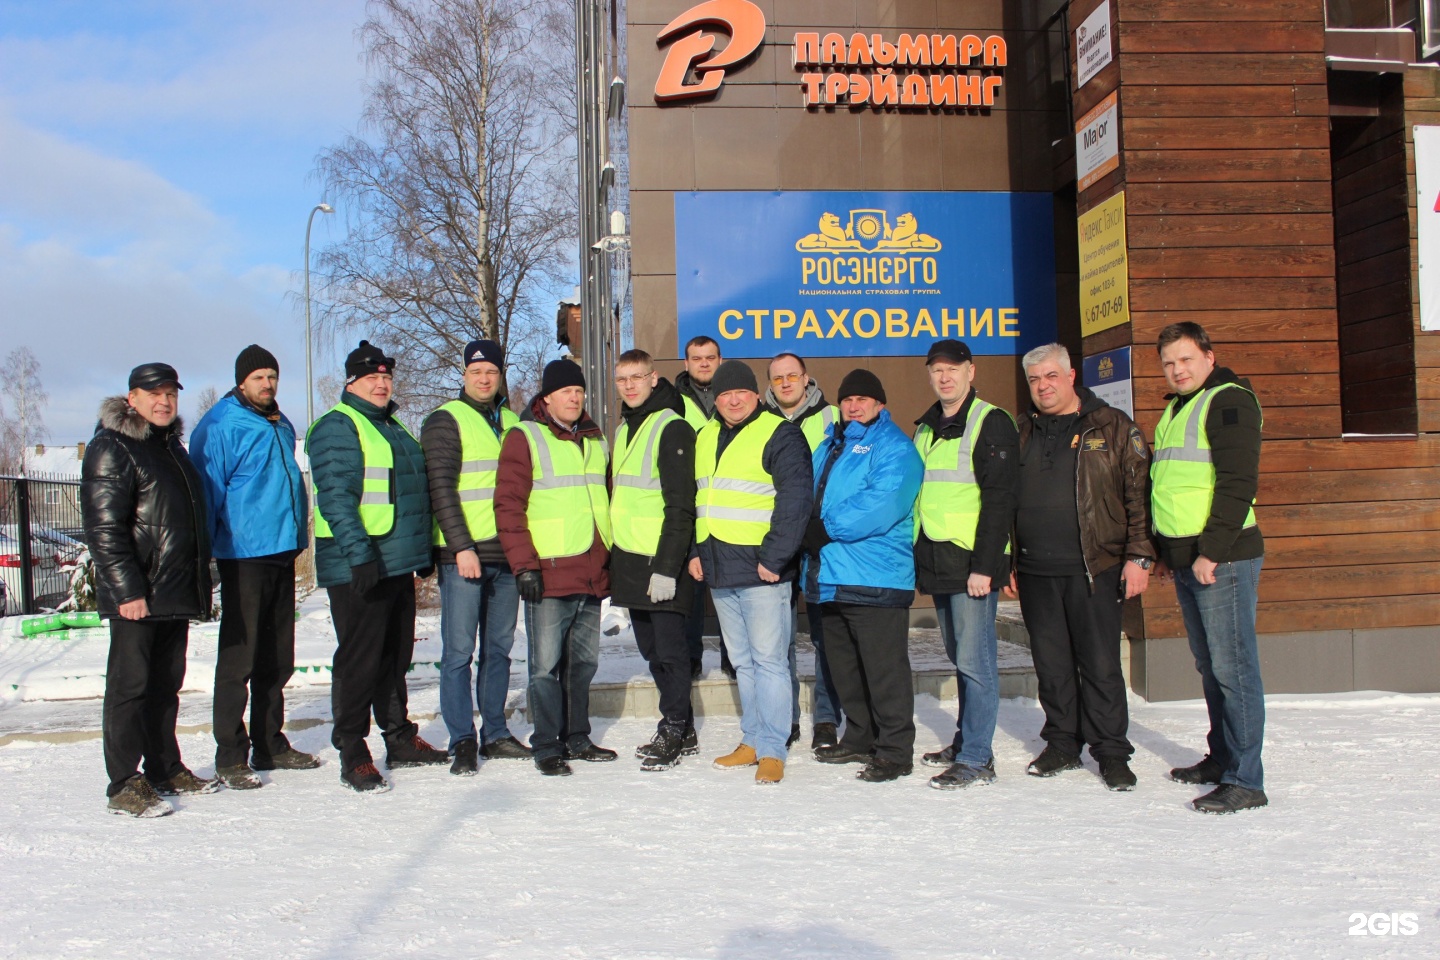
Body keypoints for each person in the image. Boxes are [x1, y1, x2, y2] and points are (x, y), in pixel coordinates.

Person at [1009, 343, 1153, 792]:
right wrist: (1010, 560)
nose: (1043, 386)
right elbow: (1006, 501)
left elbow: (1138, 496)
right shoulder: (1022, 431)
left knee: (1101, 664)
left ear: (1071, 377)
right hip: (1035, 571)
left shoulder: (1111, 426)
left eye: (1051, 376)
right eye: (1034, 380)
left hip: (1095, 567)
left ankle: (1111, 752)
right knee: (1051, 665)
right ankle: (1063, 744)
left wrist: (1139, 556)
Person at [308, 340, 447, 793]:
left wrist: (421, 549)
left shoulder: (391, 427)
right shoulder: (339, 427)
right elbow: (336, 498)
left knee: (393, 656)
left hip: (394, 561)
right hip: (360, 566)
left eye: (386, 378)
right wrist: (360, 554)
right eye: (372, 378)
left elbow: (410, 495)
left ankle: (399, 736)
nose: (382, 384)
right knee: (359, 659)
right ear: (352, 383)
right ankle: (352, 751)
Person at [83, 362, 218, 817]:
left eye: (171, 394)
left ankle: (164, 767)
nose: (164, 402)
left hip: (172, 592)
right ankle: (123, 782)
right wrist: (127, 591)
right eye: (153, 393)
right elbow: (105, 529)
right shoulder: (112, 446)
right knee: (130, 688)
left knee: (165, 688)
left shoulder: (170, 448)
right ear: (132, 399)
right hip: (138, 596)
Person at [1151, 322, 1268, 814]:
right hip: (1189, 558)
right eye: (1169, 363)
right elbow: (1172, 483)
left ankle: (1246, 779)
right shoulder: (1178, 408)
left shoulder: (1228, 401)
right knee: (1212, 666)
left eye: (1186, 360)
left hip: (1222, 559)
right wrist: (1166, 551)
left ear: (1209, 357)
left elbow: (1238, 483)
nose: (1177, 370)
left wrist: (1210, 552)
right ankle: (1222, 759)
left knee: (1234, 668)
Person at [191, 344, 318, 791]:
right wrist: (205, 556)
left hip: (282, 551)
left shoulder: (280, 423)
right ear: (242, 381)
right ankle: (230, 753)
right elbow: (207, 494)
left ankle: (270, 742)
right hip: (242, 554)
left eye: (272, 376)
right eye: (259, 377)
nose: (267, 384)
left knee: (277, 657)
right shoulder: (221, 425)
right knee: (239, 658)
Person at [690, 360, 812, 785]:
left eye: (741, 391)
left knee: (770, 662)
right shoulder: (705, 436)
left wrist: (774, 560)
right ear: (716, 399)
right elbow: (699, 498)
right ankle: (753, 739)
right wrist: (695, 552)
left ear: (756, 395)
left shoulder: (780, 434)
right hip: (720, 568)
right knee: (742, 663)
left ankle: (774, 748)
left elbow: (795, 501)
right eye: (725, 394)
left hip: (762, 571)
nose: (733, 399)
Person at [495, 359, 617, 777]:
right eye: (565, 391)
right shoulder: (524, 436)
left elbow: (604, 499)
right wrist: (524, 566)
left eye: (579, 391)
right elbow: (508, 505)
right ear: (546, 397)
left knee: (583, 664)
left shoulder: (595, 438)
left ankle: (577, 737)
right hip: (546, 572)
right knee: (544, 667)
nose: (574, 397)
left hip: (590, 569)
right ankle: (547, 743)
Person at [803, 369, 923, 783]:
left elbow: (883, 502)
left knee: (884, 669)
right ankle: (859, 736)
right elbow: (807, 492)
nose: (853, 406)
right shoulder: (829, 445)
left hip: (875, 576)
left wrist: (823, 527)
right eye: (847, 400)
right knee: (845, 667)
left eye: (862, 400)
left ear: (880, 405)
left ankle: (894, 749)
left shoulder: (894, 447)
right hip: (831, 576)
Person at [913, 339, 1019, 790]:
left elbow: (1000, 500)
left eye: (953, 369)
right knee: (959, 657)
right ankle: (965, 741)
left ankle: (978, 758)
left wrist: (987, 565)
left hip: (973, 562)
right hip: (939, 559)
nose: (944, 376)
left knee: (976, 662)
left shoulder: (990, 422)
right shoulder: (926, 426)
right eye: (936, 369)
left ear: (970, 372)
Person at [422, 339, 528, 776]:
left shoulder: (512, 421)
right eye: (476, 372)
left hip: (506, 555)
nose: (484, 379)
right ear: (464, 375)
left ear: (500, 376)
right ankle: (462, 737)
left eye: (492, 372)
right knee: (459, 652)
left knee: (499, 650)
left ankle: (496, 732)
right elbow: (441, 489)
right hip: (464, 556)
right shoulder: (446, 420)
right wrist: (461, 546)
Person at [609, 350, 699, 771]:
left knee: (670, 652)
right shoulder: (625, 428)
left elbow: (681, 505)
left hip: (660, 561)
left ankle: (674, 727)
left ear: (653, 378)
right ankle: (686, 727)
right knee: (651, 651)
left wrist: (667, 567)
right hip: (630, 559)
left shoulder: (672, 427)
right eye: (622, 379)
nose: (629, 386)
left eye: (636, 377)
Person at [764, 352, 843, 750]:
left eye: (792, 375)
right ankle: (787, 717)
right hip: (775, 543)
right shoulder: (759, 420)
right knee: (779, 640)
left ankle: (827, 718)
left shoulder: (832, 419)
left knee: (824, 636)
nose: (785, 383)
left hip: (818, 543)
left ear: (807, 378)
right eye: (777, 378)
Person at [675, 336, 722, 679]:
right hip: (687, 501)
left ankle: (733, 658)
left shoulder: (736, 396)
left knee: (729, 584)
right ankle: (691, 657)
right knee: (689, 588)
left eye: (710, 357)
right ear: (686, 363)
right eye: (696, 358)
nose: (703, 363)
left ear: (720, 360)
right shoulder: (673, 403)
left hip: (727, 503)